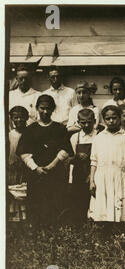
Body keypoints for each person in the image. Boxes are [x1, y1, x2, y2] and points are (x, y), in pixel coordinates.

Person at [16, 94, 73, 227]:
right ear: (37, 108)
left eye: (48, 108)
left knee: (55, 203)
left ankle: (54, 235)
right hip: (35, 175)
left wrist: (51, 166)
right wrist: (36, 168)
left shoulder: (59, 128)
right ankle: (37, 236)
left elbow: (65, 149)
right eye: (42, 108)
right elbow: (24, 152)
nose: (45, 112)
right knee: (36, 204)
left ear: (53, 109)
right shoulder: (30, 129)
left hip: (55, 173)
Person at [88, 105, 125, 227]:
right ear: (103, 120)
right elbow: (94, 161)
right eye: (107, 118)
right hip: (102, 176)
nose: (111, 121)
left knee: (120, 207)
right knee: (103, 208)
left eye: (114, 118)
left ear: (119, 118)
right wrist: (92, 180)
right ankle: (104, 235)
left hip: (120, 175)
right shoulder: (98, 138)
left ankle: (120, 235)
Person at [69, 109, 97, 224]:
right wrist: (76, 157)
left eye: (89, 122)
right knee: (79, 202)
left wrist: (92, 176)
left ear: (94, 121)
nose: (86, 125)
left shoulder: (99, 135)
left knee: (95, 203)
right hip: (79, 174)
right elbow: (69, 159)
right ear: (78, 122)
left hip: (95, 173)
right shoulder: (75, 137)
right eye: (83, 122)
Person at [7, 106, 29, 222]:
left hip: (27, 168)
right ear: (11, 119)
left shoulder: (31, 133)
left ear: (27, 118)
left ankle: (27, 222)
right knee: (14, 195)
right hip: (13, 169)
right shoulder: (9, 135)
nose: (19, 120)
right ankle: (15, 222)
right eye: (16, 117)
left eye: (22, 117)